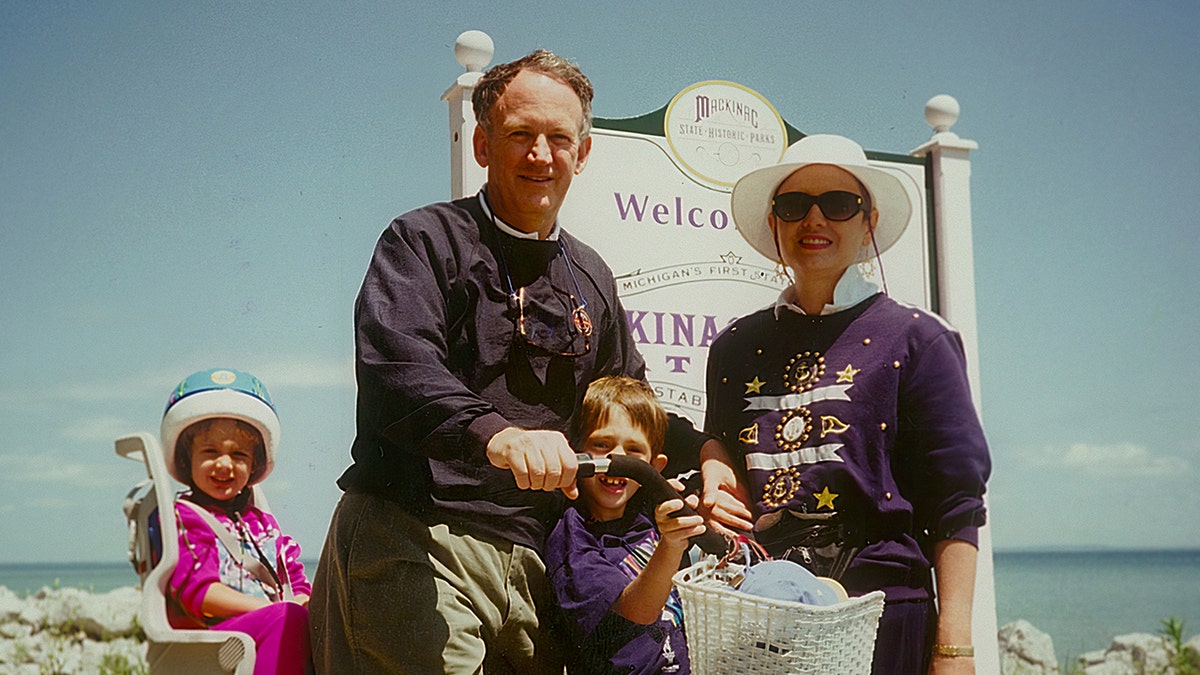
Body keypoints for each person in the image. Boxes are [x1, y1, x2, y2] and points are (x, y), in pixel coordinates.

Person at [309, 50, 747, 673]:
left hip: (543, 555)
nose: (540, 154)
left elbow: (630, 400)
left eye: (558, 138)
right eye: (520, 135)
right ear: (484, 145)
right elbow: (397, 369)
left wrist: (706, 452)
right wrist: (498, 435)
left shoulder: (590, 275)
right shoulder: (423, 240)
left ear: (583, 153)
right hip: (416, 534)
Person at [705, 134, 991, 674]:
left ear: (868, 223)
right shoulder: (734, 346)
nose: (814, 220)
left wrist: (954, 648)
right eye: (794, 206)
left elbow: (957, 503)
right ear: (774, 224)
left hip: (882, 614)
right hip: (762, 615)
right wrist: (713, 462)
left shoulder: (918, 340)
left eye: (838, 204)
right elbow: (719, 438)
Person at [546, 377, 705, 674]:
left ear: (654, 466)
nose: (616, 459)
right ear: (576, 453)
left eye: (633, 451)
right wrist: (671, 546)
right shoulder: (573, 536)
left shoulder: (650, 513)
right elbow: (636, 612)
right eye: (602, 444)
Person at [159, 368, 312, 675]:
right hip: (210, 640)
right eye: (210, 451)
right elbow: (200, 593)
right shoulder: (187, 517)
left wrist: (311, 605)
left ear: (253, 464)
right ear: (188, 459)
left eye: (239, 454)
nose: (225, 464)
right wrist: (276, 611)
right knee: (288, 620)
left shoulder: (261, 524)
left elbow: (293, 580)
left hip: (265, 626)